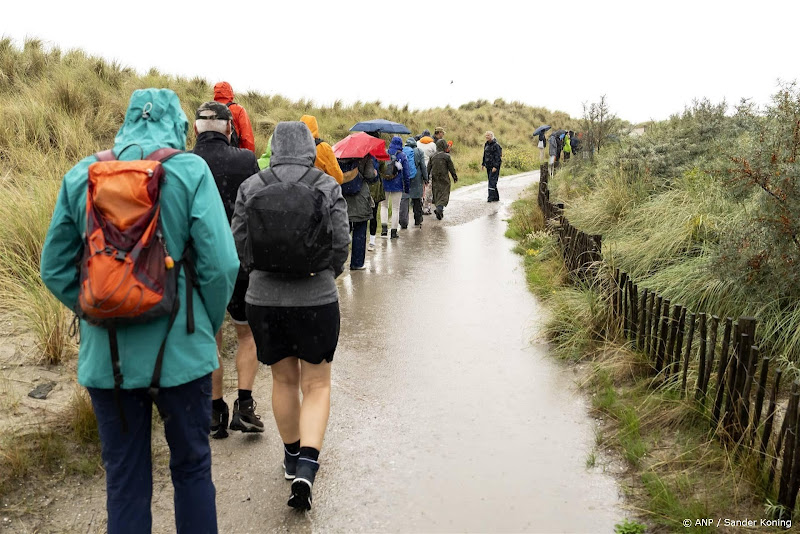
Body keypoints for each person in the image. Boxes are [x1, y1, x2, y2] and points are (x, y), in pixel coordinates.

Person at [40, 88, 239, 533]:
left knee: (125, 481)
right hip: (183, 356)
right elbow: (222, 264)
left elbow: (53, 267)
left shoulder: (81, 176)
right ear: (177, 125)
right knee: (191, 471)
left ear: (126, 121)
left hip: (106, 361)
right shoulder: (190, 172)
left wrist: (97, 307)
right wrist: (204, 323)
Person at [231, 121, 349, 511]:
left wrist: (259, 276)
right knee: (316, 385)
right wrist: (327, 275)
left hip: (264, 300)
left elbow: (240, 244)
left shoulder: (251, 185)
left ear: (274, 147)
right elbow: (341, 241)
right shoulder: (326, 185)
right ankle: (307, 467)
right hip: (316, 298)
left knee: (283, 379)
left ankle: (290, 454)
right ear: (310, 148)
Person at [191, 102, 264, 438]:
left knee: (211, 337)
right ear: (230, 129)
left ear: (195, 130)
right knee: (246, 334)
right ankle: (245, 405)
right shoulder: (245, 161)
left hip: (199, 264)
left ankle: (214, 411)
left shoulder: (184, 164)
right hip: (239, 260)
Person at [342, 155, 378, 269]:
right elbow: (370, 175)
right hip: (360, 197)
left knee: (343, 232)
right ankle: (356, 263)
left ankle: (339, 262)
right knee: (359, 231)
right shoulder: (366, 157)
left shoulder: (340, 157)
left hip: (344, 197)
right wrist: (375, 173)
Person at [300, 115, 344, 184]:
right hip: (318, 191)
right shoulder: (323, 148)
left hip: (295, 191)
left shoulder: (292, 147)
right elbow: (338, 178)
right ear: (316, 128)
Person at [381, 136, 411, 239]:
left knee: (384, 206)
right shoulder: (402, 156)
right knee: (395, 208)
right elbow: (406, 173)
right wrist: (407, 188)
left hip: (384, 183)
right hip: (397, 185)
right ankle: (393, 232)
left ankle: (384, 229)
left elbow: (379, 167)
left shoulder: (384, 153)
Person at [213, 82, 255, 152]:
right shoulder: (238, 110)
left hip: (212, 155)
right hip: (234, 155)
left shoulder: (208, 110)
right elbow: (246, 138)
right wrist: (249, 157)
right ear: (231, 92)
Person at [399, 137, 427, 229]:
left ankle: (403, 222)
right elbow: (423, 166)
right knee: (416, 199)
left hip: (405, 178)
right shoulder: (419, 152)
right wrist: (425, 178)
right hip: (417, 178)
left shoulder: (402, 151)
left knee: (404, 199)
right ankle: (418, 219)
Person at [427, 138, 458, 220]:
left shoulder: (432, 156)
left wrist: (426, 178)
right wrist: (454, 177)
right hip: (444, 177)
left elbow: (428, 168)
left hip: (435, 177)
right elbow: (451, 168)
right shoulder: (446, 156)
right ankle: (440, 208)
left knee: (436, 192)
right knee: (444, 192)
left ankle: (438, 207)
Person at [417, 130, 437, 215]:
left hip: (419, 168)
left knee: (420, 186)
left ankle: (420, 204)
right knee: (429, 187)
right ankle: (427, 207)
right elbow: (435, 155)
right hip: (429, 168)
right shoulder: (433, 144)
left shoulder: (417, 143)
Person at [481, 131, 502, 202]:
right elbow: (485, 155)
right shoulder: (486, 144)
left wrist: (495, 167)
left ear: (492, 136)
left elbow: (498, 157)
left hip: (494, 167)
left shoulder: (496, 145)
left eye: (488, 135)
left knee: (492, 182)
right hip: (488, 166)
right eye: (486, 135)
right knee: (491, 181)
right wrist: (483, 164)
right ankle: (496, 197)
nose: (487, 137)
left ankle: (490, 198)